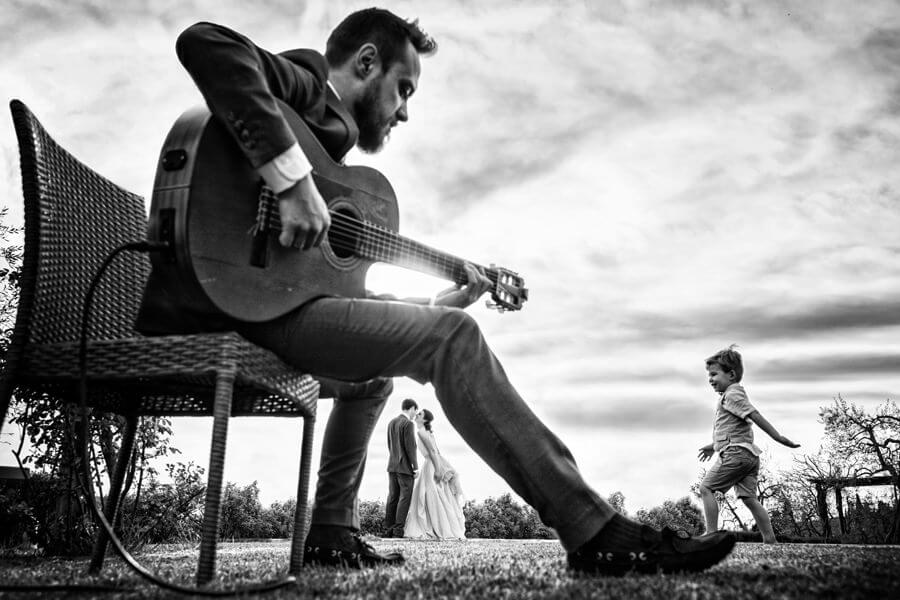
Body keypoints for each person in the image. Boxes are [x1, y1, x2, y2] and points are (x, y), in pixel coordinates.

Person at [138, 8, 737, 574]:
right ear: (366, 63)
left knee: (379, 373)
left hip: (265, 304)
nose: (403, 113)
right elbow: (205, 42)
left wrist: (439, 305)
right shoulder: (306, 81)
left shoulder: (333, 159)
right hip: (227, 299)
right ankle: (593, 529)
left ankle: (328, 530)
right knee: (452, 341)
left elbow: (335, 301)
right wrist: (291, 180)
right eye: (405, 89)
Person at [698, 346, 800, 543]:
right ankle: (770, 539)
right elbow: (733, 430)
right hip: (749, 456)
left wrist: (778, 437)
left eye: (714, 374)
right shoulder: (731, 396)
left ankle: (710, 534)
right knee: (749, 498)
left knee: (706, 489)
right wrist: (713, 446)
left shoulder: (732, 394)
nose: (710, 379)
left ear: (731, 374)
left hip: (736, 454)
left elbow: (755, 415)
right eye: (708, 375)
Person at [404, 409, 466, 540]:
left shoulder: (422, 432)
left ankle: (435, 527)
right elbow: (436, 451)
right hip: (432, 464)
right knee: (435, 496)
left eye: (420, 414)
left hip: (431, 465)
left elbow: (433, 451)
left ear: (425, 420)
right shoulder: (427, 432)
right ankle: (438, 527)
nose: (417, 415)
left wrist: (438, 469)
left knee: (432, 496)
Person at [384, 398, 419, 538]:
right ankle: (398, 531)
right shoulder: (408, 424)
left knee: (392, 497)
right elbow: (411, 447)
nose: (415, 414)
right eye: (415, 411)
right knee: (405, 497)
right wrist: (415, 467)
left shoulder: (391, 422)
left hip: (392, 465)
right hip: (404, 468)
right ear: (411, 408)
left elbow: (389, 445)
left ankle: (388, 530)